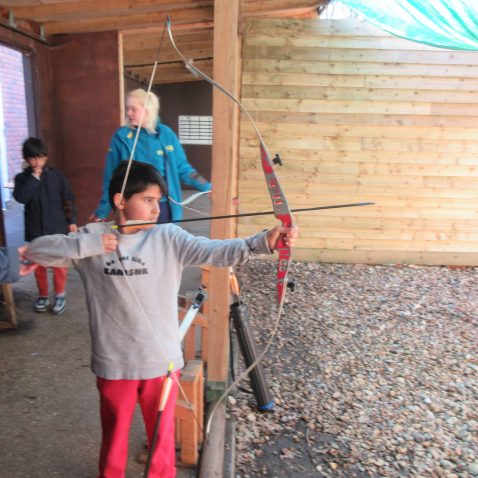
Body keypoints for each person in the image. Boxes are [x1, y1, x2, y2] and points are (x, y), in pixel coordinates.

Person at [26, 161, 298, 478]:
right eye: (148, 200)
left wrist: (264, 241)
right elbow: (37, 251)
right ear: (120, 200)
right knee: (114, 443)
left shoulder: (168, 237)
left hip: (162, 364)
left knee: (162, 444)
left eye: (159, 201)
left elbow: (216, 251)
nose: (156, 209)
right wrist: (90, 244)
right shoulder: (94, 238)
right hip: (115, 364)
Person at [92, 88, 211, 223]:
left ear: (147, 110)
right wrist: (102, 211)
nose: (129, 113)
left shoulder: (166, 134)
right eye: (127, 109)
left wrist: (207, 186)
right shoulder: (120, 137)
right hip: (133, 207)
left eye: (133, 109)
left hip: (163, 207)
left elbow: (184, 169)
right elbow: (110, 178)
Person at [13, 137, 78, 315]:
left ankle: (60, 295)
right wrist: (35, 177)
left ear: (46, 156)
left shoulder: (57, 176)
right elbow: (20, 198)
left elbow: (68, 198)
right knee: (38, 264)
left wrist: (71, 220)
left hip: (57, 227)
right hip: (36, 229)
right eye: (33, 158)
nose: (37, 162)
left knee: (59, 264)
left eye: (41, 157)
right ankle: (42, 295)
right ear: (26, 159)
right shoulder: (21, 179)